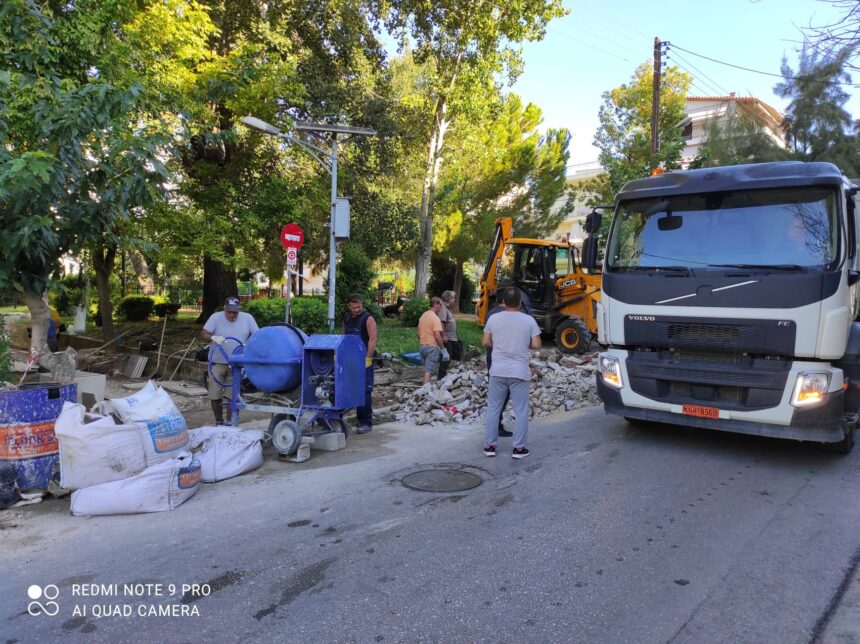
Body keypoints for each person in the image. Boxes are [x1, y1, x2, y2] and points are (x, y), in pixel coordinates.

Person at [482, 287, 541, 459]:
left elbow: (485, 341)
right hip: (519, 371)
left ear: (503, 302)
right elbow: (537, 344)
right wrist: (523, 344)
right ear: (521, 302)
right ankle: (519, 449)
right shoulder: (528, 320)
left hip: (498, 370)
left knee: (493, 408)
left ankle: (490, 446)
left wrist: (500, 344)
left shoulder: (493, 318)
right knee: (521, 410)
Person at [201, 296, 259, 425]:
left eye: (235, 312)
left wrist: (248, 345)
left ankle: (230, 422)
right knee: (215, 395)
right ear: (224, 309)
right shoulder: (216, 317)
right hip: (217, 363)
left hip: (236, 365)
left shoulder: (247, 318)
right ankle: (219, 421)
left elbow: (257, 335)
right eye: (230, 312)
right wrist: (213, 337)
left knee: (232, 396)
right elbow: (204, 333)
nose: (232, 315)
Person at [343, 294, 378, 434]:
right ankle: (355, 419)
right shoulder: (347, 318)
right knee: (352, 389)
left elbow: (373, 339)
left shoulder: (368, 319)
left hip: (364, 360)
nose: (357, 310)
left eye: (359, 307)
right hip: (351, 359)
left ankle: (366, 423)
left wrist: (368, 358)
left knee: (364, 391)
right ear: (349, 306)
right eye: (354, 307)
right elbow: (344, 337)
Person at [417, 297, 448, 385]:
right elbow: (437, 336)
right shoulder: (435, 318)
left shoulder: (423, 316)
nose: (441, 307)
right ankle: (425, 391)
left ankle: (426, 389)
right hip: (432, 348)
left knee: (427, 369)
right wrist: (443, 350)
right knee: (428, 371)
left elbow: (418, 333)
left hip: (423, 348)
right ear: (435, 304)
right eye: (440, 305)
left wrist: (423, 342)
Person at [437, 290, 460, 378]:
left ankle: (446, 373)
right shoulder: (443, 308)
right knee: (446, 356)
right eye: (453, 298)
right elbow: (441, 322)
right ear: (449, 299)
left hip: (451, 337)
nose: (454, 300)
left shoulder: (447, 308)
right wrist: (443, 335)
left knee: (453, 355)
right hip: (447, 337)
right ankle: (441, 376)